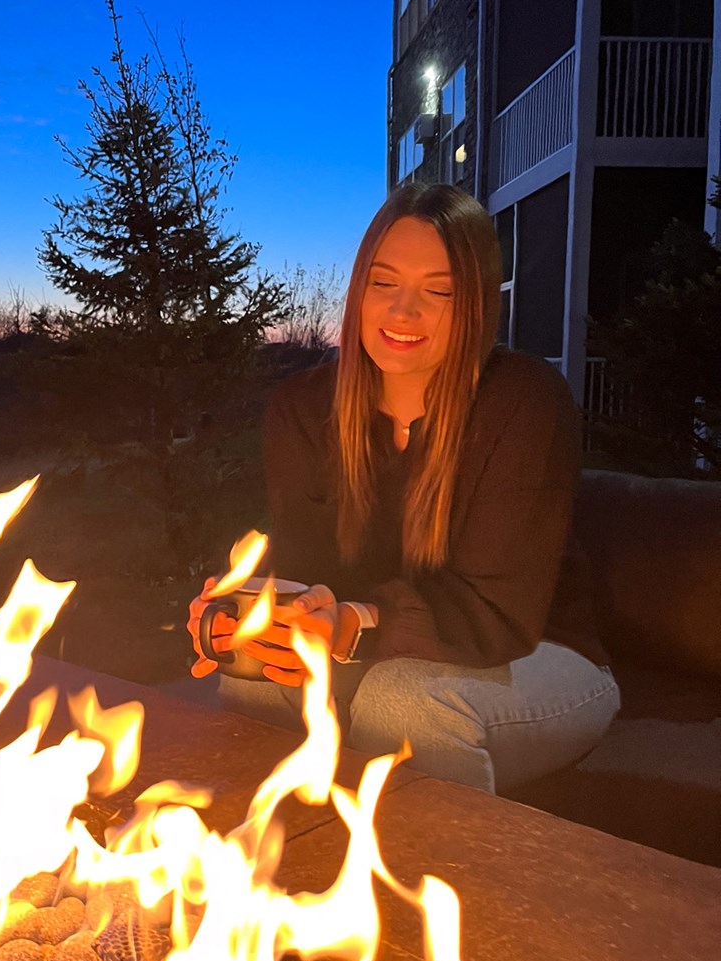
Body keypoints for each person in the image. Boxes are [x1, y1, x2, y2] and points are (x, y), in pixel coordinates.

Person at [186, 183, 619, 794]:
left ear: (475, 305)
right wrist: (246, 614)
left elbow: (497, 616)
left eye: (437, 291)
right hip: (379, 643)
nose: (402, 311)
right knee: (256, 673)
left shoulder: (522, 403)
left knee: (405, 703)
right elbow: (306, 571)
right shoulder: (304, 409)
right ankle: (264, 871)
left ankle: (449, 884)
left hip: (540, 651)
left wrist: (353, 624)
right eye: (383, 283)